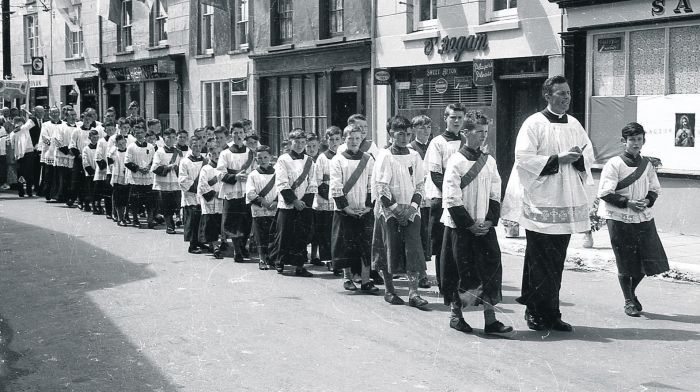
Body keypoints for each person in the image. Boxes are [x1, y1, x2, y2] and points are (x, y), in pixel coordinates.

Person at [501, 75, 595, 331]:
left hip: (564, 203)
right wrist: (558, 159)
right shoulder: (534, 123)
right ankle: (534, 312)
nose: (566, 98)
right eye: (561, 94)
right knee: (538, 261)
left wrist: (577, 158)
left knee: (556, 261)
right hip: (541, 202)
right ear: (547, 96)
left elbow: (588, 154)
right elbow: (523, 158)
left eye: (568, 93)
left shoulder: (574, 123)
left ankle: (552, 312)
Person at [440, 112, 512, 335]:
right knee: (460, 272)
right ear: (465, 133)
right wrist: (469, 224)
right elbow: (451, 197)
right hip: (460, 228)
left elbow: (495, 193)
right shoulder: (456, 161)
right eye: (478, 132)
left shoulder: (489, 161)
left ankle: (490, 320)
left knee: (489, 271)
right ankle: (456, 316)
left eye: (485, 132)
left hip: (484, 228)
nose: (483, 136)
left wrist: (490, 221)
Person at [597, 122, 669, 317]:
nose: (636, 143)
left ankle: (631, 292)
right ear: (624, 141)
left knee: (648, 258)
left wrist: (647, 200)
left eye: (639, 139)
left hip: (642, 216)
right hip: (619, 217)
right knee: (625, 260)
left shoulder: (647, 165)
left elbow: (655, 188)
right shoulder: (614, 164)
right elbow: (604, 192)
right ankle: (628, 301)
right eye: (632, 140)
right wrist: (627, 203)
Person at [373, 116, 428, 308]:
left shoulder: (414, 156)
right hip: (390, 211)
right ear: (391, 134)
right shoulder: (385, 156)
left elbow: (420, 184)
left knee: (413, 249)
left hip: (411, 211)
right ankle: (390, 290)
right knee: (390, 248)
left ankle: (414, 293)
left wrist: (412, 207)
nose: (404, 138)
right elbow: (382, 187)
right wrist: (397, 210)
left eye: (407, 134)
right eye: (400, 134)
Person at [330, 125, 378, 293]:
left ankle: (366, 280)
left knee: (365, 246)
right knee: (346, 245)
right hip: (345, 210)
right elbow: (335, 185)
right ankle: (347, 278)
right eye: (350, 138)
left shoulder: (368, 158)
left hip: (363, 209)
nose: (354, 141)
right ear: (345, 139)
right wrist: (346, 207)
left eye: (357, 138)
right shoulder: (338, 159)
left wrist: (367, 206)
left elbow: (372, 183)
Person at [424, 103, 466, 292]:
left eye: (459, 117)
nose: (457, 121)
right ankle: (445, 284)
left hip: (465, 198)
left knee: (462, 243)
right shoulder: (437, 142)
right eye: (453, 117)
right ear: (445, 119)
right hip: (443, 199)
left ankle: (461, 283)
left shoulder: (467, 140)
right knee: (443, 244)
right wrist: (452, 194)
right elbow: (435, 174)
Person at [272, 129, 317, 277]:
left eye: (303, 142)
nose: (299, 145)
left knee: (301, 235)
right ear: (290, 142)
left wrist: (303, 202)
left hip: (304, 205)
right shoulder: (283, 159)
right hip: (288, 204)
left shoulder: (309, 160)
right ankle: (280, 262)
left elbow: (313, 183)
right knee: (284, 234)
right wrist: (294, 201)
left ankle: (299, 265)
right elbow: (281, 183)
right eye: (296, 142)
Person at [217, 122, 255, 262]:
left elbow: (256, 171)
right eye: (235, 133)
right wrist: (235, 177)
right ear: (231, 135)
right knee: (234, 221)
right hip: (232, 190)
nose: (238, 136)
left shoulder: (250, 152)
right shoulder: (225, 153)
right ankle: (237, 251)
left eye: (241, 133)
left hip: (247, 190)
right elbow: (220, 173)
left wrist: (249, 177)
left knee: (246, 221)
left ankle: (243, 246)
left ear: (245, 134)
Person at [409, 115, 433, 289]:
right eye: (421, 127)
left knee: (429, 235)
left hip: (432, 196)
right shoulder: (410, 149)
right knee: (417, 236)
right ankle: (421, 274)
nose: (426, 131)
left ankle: (426, 271)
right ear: (414, 130)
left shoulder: (434, 147)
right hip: (416, 196)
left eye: (428, 127)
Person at [245, 145, 279, 270]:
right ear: (256, 159)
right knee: (260, 235)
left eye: (266, 157)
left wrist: (275, 201)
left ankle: (272, 258)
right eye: (260, 158)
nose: (263, 160)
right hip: (259, 209)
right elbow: (250, 192)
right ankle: (262, 258)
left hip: (274, 208)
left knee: (273, 234)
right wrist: (264, 203)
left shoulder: (277, 172)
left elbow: (282, 188)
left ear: (270, 157)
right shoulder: (253, 175)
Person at [310, 130, 335, 267]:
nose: (335, 143)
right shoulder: (322, 158)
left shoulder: (342, 156)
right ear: (326, 140)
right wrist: (329, 196)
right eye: (331, 140)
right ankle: (327, 259)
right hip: (324, 198)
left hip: (338, 199)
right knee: (325, 232)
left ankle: (336, 259)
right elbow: (318, 180)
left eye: (337, 139)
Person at [152, 128, 183, 234]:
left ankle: (176, 220)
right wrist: (168, 167)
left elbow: (183, 166)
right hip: (164, 183)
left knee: (176, 204)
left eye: (173, 137)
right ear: (164, 138)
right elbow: (155, 168)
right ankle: (169, 225)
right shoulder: (159, 152)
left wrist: (178, 168)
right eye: (168, 137)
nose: (171, 139)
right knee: (166, 205)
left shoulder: (178, 152)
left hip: (176, 182)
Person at [71, 110, 104, 209]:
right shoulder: (77, 130)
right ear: (82, 119)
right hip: (80, 158)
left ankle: (93, 202)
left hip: (92, 159)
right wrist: (79, 155)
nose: (87, 121)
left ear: (92, 120)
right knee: (81, 181)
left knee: (92, 183)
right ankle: (81, 201)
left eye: (89, 119)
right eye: (85, 119)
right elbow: (72, 145)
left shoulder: (94, 131)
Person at [124, 125, 156, 228]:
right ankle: (135, 219)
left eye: (142, 132)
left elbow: (154, 160)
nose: (140, 135)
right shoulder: (131, 147)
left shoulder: (150, 147)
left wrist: (149, 167)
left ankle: (150, 220)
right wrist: (138, 168)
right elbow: (127, 161)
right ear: (134, 134)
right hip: (136, 178)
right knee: (135, 200)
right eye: (137, 133)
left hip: (148, 177)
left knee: (150, 200)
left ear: (145, 133)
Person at [179, 136, 207, 253]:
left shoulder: (205, 161)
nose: (198, 148)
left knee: (201, 220)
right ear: (190, 146)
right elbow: (182, 180)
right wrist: (197, 188)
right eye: (195, 146)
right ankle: (192, 245)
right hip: (191, 195)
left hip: (203, 195)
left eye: (200, 146)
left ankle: (200, 241)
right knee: (192, 221)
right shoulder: (185, 161)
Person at [198, 145, 225, 259]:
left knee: (220, 222)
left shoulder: (224, 169)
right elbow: (202, 185)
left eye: (219, 154)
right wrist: (215, 194)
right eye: (214, 154)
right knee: (211, 223)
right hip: (210, 200)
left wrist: (223, 194)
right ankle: (214, 245)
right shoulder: (206, 169)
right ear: (209, 155)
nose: (217, 156)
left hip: (222, 199)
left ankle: (221, 241)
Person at [52, 106, 78, 204]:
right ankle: (62, 196)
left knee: (73, 179)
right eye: (71, 115)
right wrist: (67, 151)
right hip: (63, 155)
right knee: (63, 178)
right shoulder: (60, 127)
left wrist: (75, 152)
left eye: (74, 115)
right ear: (66, 117)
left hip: (74, 155)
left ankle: (72, 197)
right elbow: (57, 140)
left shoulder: (79, 127)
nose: (73, 117)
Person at [39, 107, 62, 201]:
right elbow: (44, 137)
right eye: (52, 113)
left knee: (58, 175)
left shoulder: (64, 124)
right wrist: (55, 141)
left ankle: (57, 194)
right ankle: (48, 194)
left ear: (59, 113)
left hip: (60, 152)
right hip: (50, 152)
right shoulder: (45, 125)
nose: (54, 114)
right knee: (49, 175)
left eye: (56, 112)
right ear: (49, 114)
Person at [94, 120, 116, 218]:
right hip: (104, 169)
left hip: (115, 168)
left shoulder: (117, 140)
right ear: (105, 130)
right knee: (106, 191)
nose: (111, 131)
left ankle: (115, 211)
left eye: (112, 129)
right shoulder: (102, 141)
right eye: (109, 129)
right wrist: (105, 167)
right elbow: (98, 155)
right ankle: (108, 211)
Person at [110, 135, 130, 226]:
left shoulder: (129, 152)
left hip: (128, 177)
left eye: (123, 143)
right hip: (118, 178)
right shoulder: (114, 153)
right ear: (116, 145)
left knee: (126, 199)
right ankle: (120, 218)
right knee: (119, 199)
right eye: (119, 144)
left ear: (126, 142)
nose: (122, 145)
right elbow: (110, 161)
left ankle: (125, 216)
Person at [80, 130, 100, 212]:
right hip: (90, 173)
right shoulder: (86, 149)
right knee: (89, 190)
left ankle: (97, 205)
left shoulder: (99, 148)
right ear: (89, 138)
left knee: (97, 190)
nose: (95, 139)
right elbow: (85, 161)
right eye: (93, 137)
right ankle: (87, 204)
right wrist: (91, 171)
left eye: (97, 137)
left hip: (98, 172)